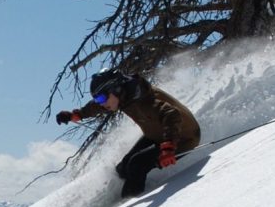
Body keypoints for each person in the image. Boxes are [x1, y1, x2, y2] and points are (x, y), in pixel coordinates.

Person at [56, 68, 201, 197]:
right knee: (123, 168)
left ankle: (128, 206)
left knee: (136, 165)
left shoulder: (144, 99)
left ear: (115, 89)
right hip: (156, 135)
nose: (100, 103)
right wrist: (77, 115)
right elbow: (96, 107)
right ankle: (131, 191)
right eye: (96, 98)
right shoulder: (123, 97)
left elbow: (171, 114)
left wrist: (169, 146)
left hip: (183, 137)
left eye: (101, 98)